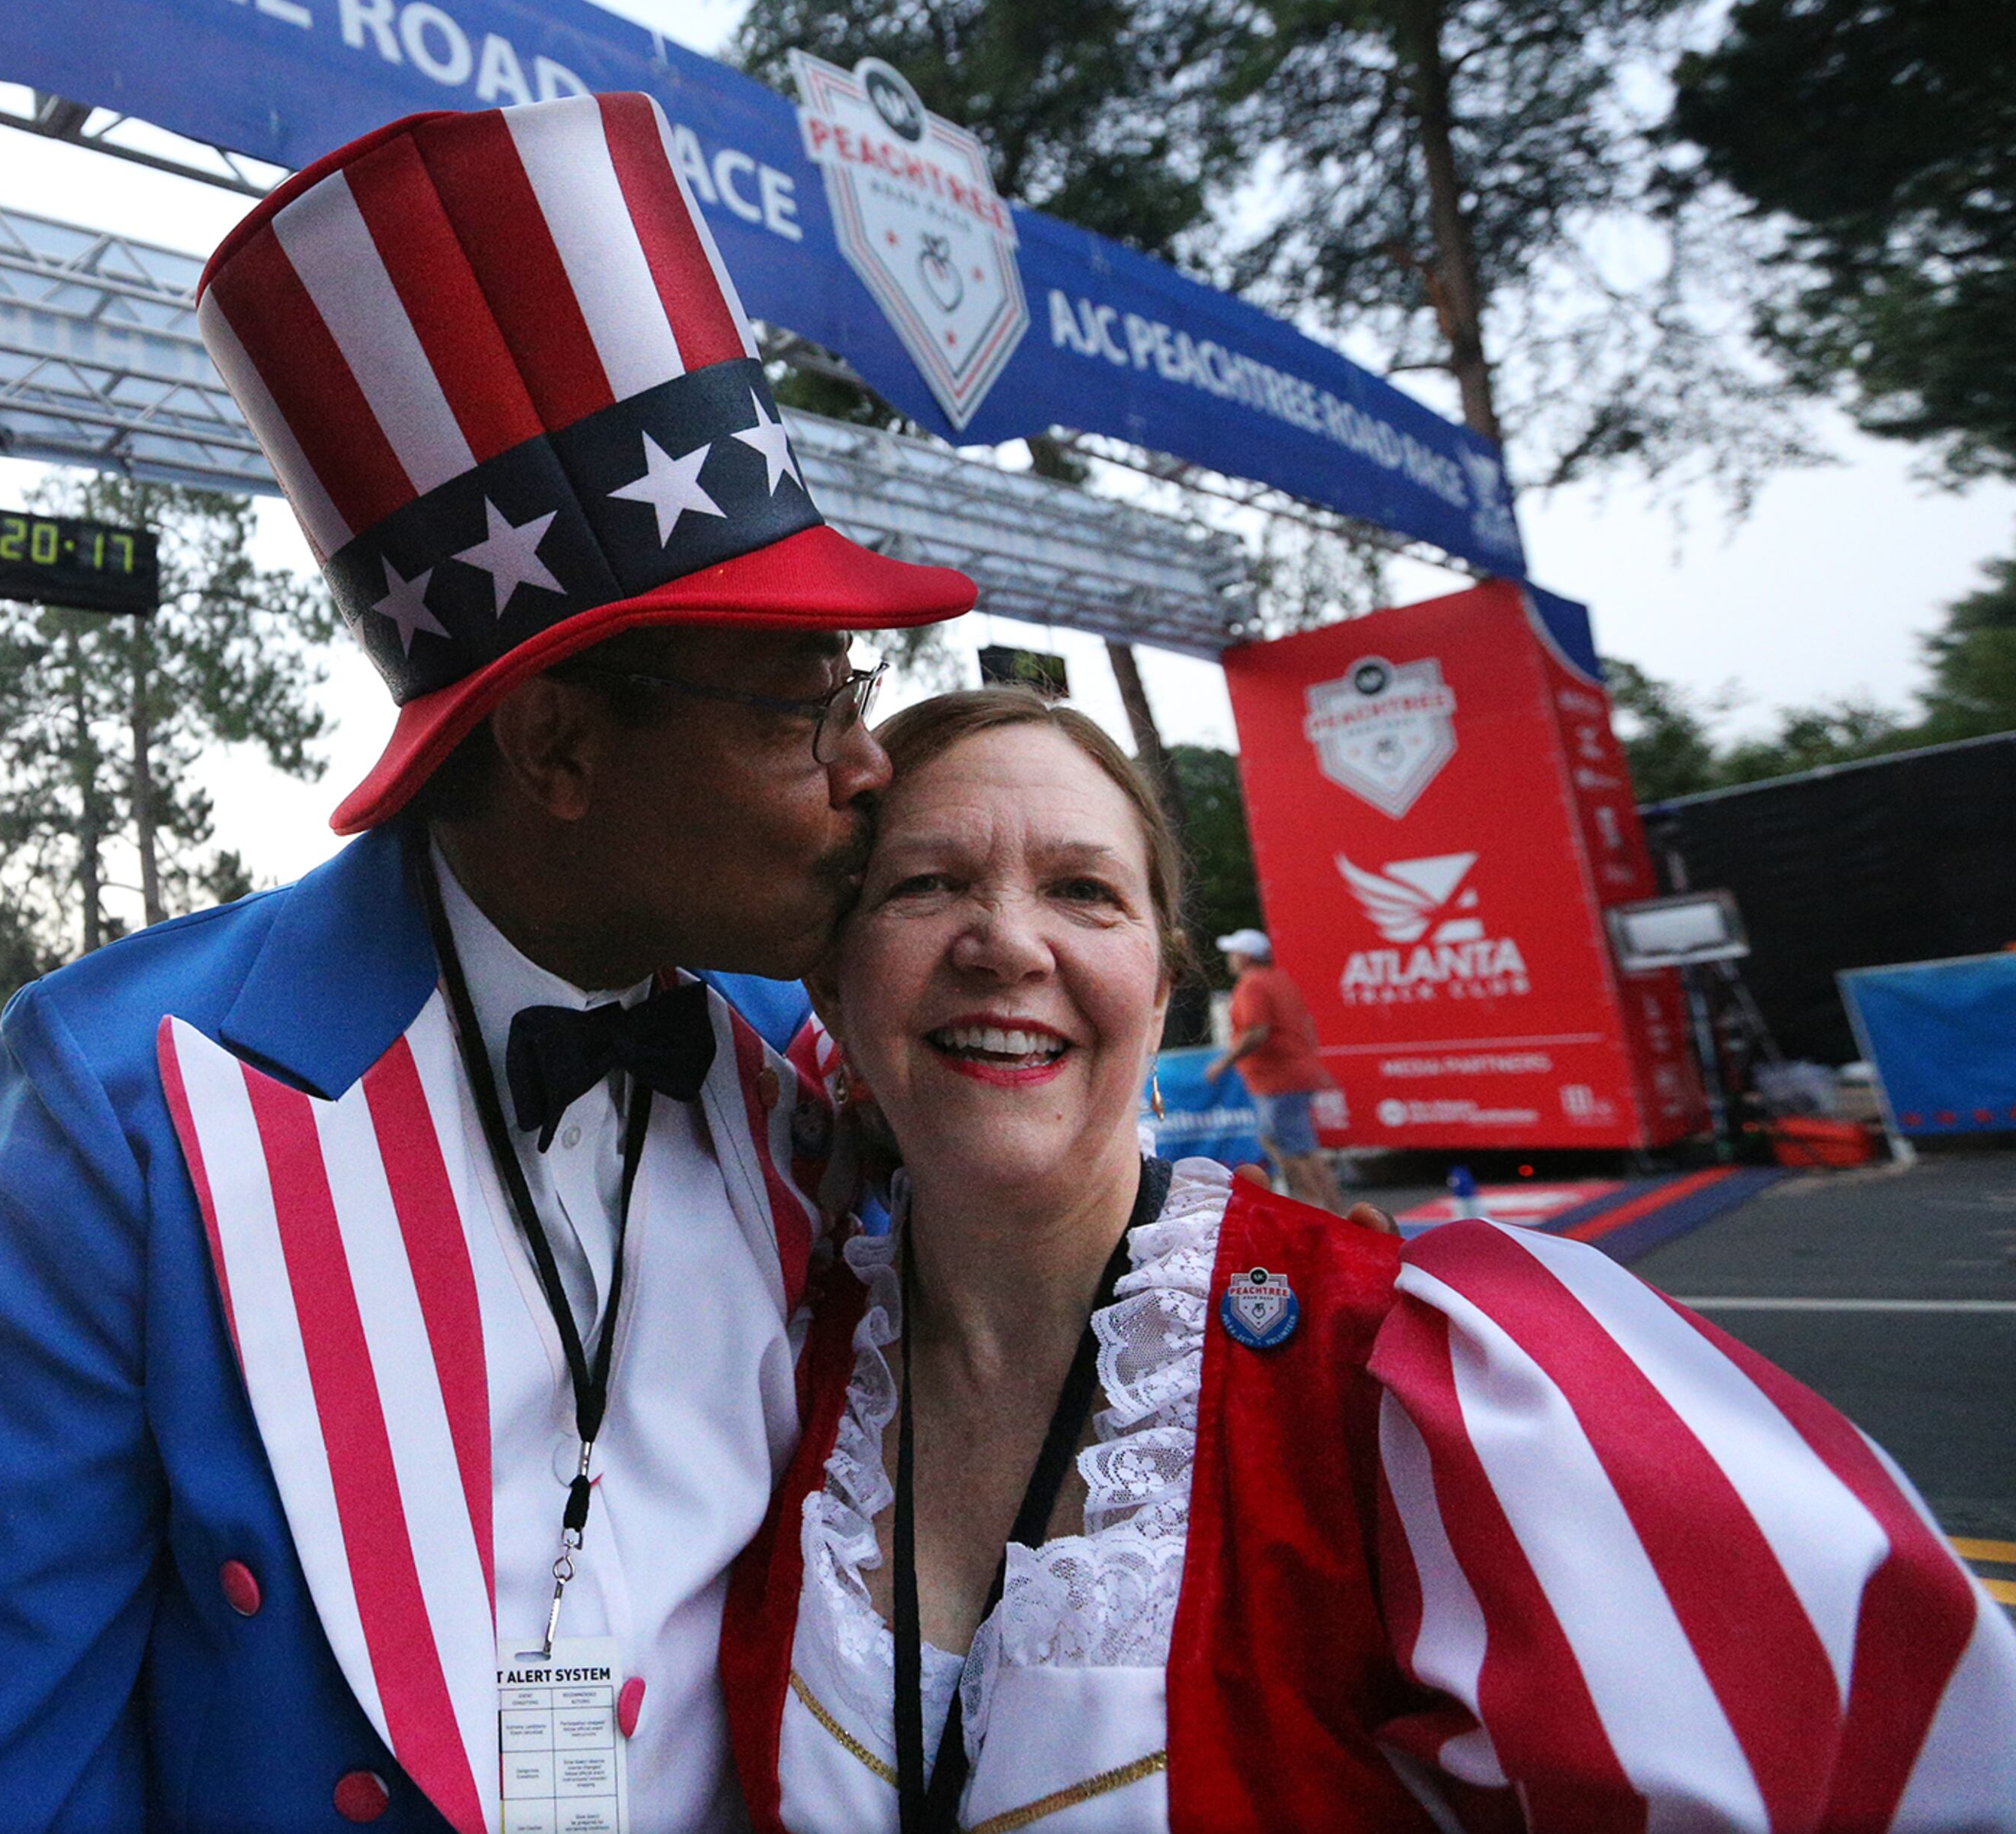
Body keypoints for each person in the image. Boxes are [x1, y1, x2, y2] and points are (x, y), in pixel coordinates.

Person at [0, 92, 975, 1831]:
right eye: (804, 707)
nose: (865, 770)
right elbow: (6, 1770)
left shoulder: (809, 1053)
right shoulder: (122, 1103)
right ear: (555, 750)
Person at [720, 687, 2016, 1830]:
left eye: (1082, 888)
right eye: (925, 883)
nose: (1005, 941)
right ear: (833, 984)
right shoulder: (767, 1364)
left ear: (1160, 980)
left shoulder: (1426, 1373)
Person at [1201, 926, 1344, 1210]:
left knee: (1292, 1149)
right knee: (1295, 1146)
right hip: (1290, 1075)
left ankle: (1318, 1211)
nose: (1230, 958)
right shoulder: (1278, 980)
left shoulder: (1253, 985)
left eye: (1233, 952)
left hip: (1278, 1078)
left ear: (1245, 956)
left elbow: (1257, 1031)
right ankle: (1327, 1209)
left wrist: (1223, 1063)